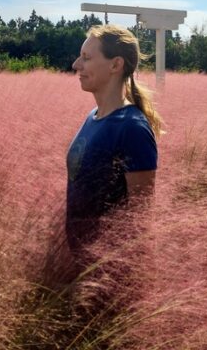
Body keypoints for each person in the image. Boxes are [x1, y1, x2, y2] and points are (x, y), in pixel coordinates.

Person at [66, 24, 162, 251]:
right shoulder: (93, 117)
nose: (76, 65)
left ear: (115, 64)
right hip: (80, 264)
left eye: (86, 58)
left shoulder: (132, 128)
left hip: (108, 272)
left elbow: (141, 218)